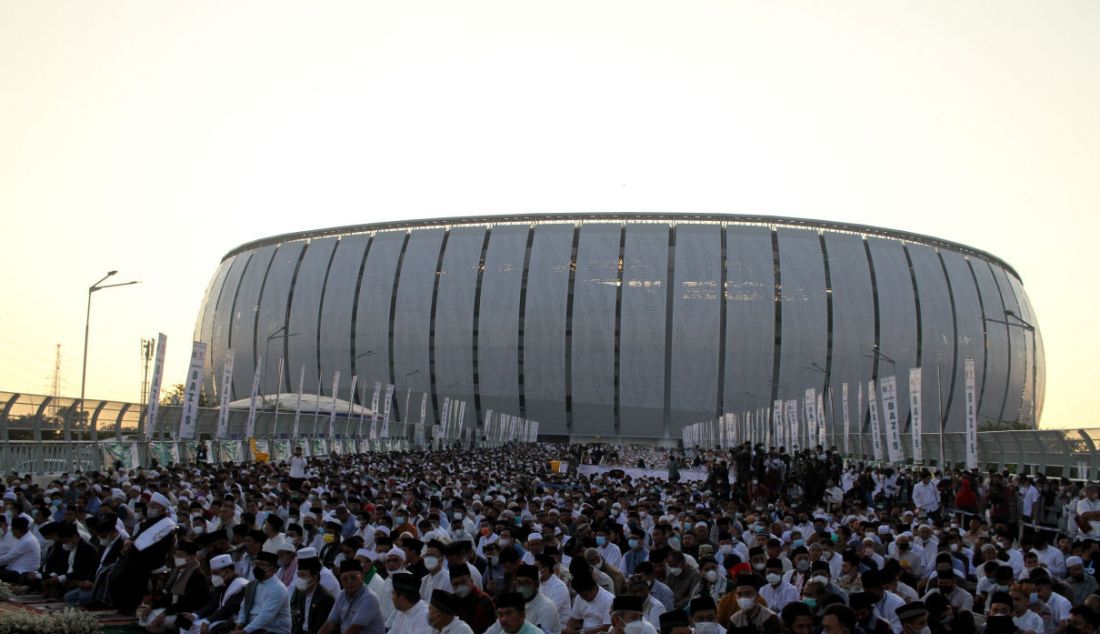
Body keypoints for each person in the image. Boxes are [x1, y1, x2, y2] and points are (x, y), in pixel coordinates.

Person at [315, 559, 383, 634]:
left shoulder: (369, 598)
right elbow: (330, 624)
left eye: (353, 577)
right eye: (345, 579)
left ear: (362, 577)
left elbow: (353, 629)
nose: (349, 581)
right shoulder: (341, 596)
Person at [232, 550, 292, 634]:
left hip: (273, 630)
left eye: (261, 564)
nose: (257, 567)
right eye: (256, 564)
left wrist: (244, 631)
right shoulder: (252, 584)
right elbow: (244, 606)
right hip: (253, 626)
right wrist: (239, 624)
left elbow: (266, 616)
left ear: (272, 569)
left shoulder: (278, 588)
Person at [290, 555, 335, 634]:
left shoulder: (325, 598)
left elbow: (319, 628)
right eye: (298, 575)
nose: (299, 579)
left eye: (303, 575)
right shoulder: (302, 594)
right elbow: (299, 622)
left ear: (314, 578)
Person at [514, 563, 560, 634]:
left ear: (537, 585)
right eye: (519, 582)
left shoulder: (546, 607)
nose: (522, 586)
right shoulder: (514, 604)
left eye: (527, 583)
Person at [0, 516, 40, 582]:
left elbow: (8, 558)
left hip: (22, 573)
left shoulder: (27, 541)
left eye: (12, 530)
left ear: (17, 530)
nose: (12, 532)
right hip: (15, 568)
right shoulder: (24, 538)